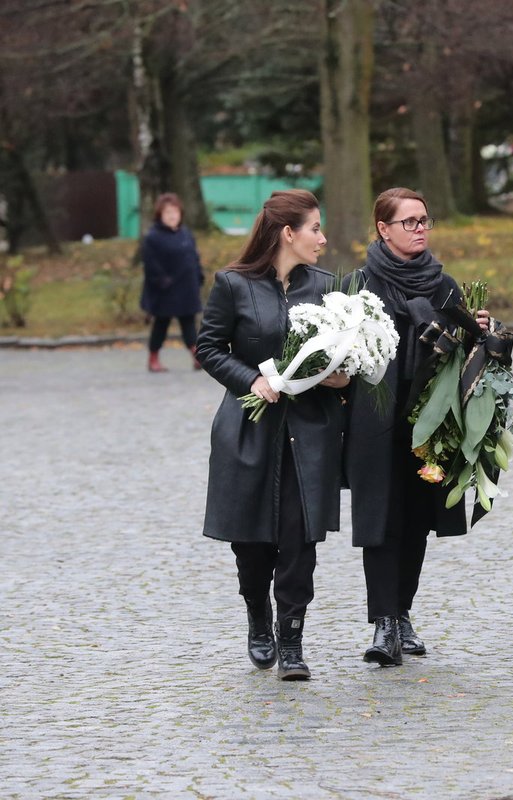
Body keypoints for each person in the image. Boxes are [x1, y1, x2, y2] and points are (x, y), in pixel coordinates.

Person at [195, 189, 348, 681]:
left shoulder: (327, 288)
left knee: (301, 540)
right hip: (251, 427)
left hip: (310, 433)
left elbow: (344, 358)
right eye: (315, 229)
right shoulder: (233, 285)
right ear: (289, 233)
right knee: (252, 542)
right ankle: (257, 613)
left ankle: (293, 639)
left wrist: (340, 375)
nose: (323, 239)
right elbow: (209, 347)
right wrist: (252, 380)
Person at [342, 188, 491, 668]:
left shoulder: (443, 284)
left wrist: (476, 327)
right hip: (375, 418)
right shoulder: (358, 285)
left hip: (431, 420)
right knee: (380, 521)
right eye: (409, 222)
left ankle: (403, 613)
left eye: (424, 220)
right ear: (383, 229)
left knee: (417, 521)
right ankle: (383, 622)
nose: (420, 228)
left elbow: (464, 348)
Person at [140, 193, 204, 372]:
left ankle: (196, 356)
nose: (172, 215)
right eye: (167, 212)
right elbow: (150, 263)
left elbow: (193, 257)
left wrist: (199, 275)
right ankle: (153, 359)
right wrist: (162, 281)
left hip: (187, 288)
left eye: (175, 211)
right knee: (161, 325)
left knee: (189, 324)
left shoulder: (185, 233)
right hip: (165, 290)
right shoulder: (153, 237)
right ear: (160, 214)